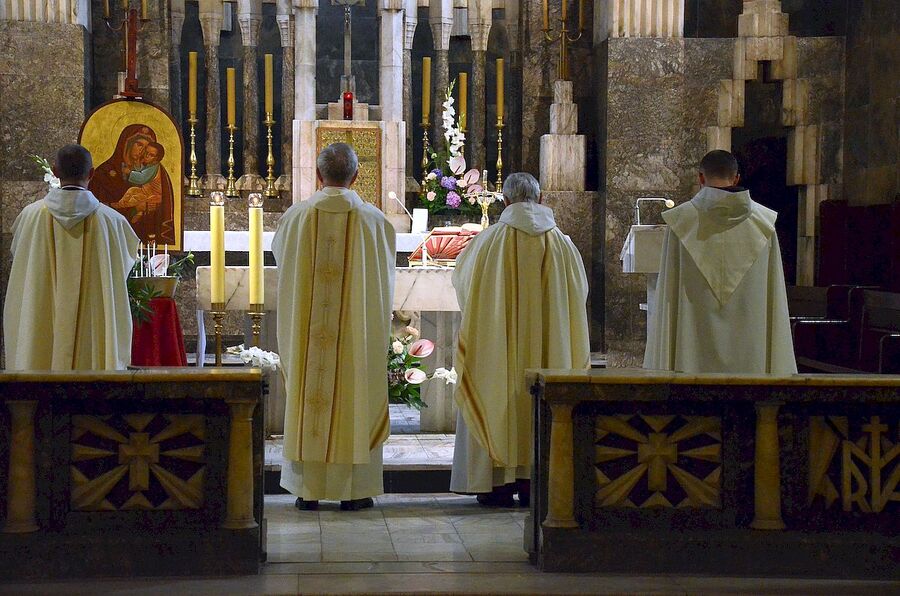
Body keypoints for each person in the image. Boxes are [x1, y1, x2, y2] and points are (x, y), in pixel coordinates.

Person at [450, 172, 590, 507]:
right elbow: (579, 294)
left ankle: (495, 483)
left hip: (497, 352)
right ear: (540, 199)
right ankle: (536, 482)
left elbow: (463, 287)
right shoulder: (562, 244)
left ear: (506, 201)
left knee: (494, 391)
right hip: (549, 351)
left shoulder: (487, 242)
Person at [274, 143, 396, 511]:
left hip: (309, 335)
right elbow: (384, 279)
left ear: (317, 174)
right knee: (354, 392)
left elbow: (283, 263)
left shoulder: (295, 218)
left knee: (310, 394)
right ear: (357, 177)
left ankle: (307, 489)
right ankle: (354, 491)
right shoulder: (375, 221)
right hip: (356, 336)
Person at [643, 150, 797, 374]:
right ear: (736, 178)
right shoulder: (764, 224)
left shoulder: (680, 222)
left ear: (701, 178)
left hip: (691, 359)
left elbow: (670, 294)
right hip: (750, 356)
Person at [4, 144, 139, 370]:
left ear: (55, 172)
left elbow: (20, 263)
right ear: (92, 173)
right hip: (94, 332)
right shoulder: (113, 222)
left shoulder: (29, 217)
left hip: (40, 327)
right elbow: (123, 268)